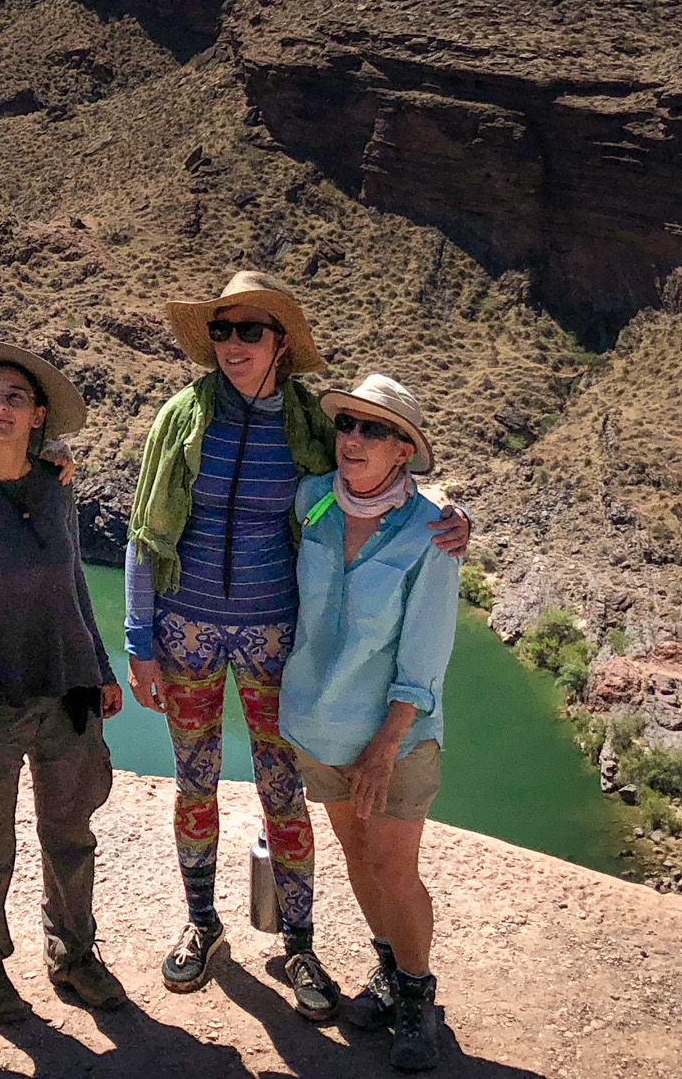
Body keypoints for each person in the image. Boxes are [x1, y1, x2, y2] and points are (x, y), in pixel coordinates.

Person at [122, 271, 468, 1022]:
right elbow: (146, 531)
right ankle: (203, 924)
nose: (234, 344)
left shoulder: (311, 428)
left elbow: (373, 493)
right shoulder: (182, 418)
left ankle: (301, 942)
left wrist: (452, 520)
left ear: (281, 343)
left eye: (251, 331)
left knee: (285, 795)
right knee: (194, 785)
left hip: (277, 644)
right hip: (185, 634)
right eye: (223, 330)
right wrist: (138, 637)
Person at [0, 342, 127, 1025]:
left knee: (70, 833)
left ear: (38, 415)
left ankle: (75, 955)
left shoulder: (56, 486)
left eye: (16, 397)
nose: (2, 407)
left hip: (65, 687)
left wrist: (99, 667)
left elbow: (71, 581)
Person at [281, 373, 460, 1071]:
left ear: (404, 451)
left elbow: (424, 657)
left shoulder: (432, 536)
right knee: (357, 856)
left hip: (397, 736)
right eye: (349, 426)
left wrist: (384, 747)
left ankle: (417, 997)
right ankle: (388, 969)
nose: (355, 439)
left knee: (393, 865)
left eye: (376, 430)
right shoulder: (314, 501)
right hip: (318, 725)